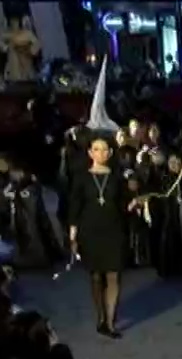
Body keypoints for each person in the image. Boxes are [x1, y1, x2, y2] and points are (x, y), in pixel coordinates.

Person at [67, 137, 138, 339]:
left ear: (110, 153)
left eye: (104, 149)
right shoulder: (81, 177)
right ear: (90, 153)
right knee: (97, 276)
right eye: (96, 149)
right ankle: (100, 317)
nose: (100, 153)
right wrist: (73, 233)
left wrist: (132, 204)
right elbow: (75, 206)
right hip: (90, 232)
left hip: (114, 231)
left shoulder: (117, 178)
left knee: (114, 275)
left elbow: (124, 203)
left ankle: (110, 322)